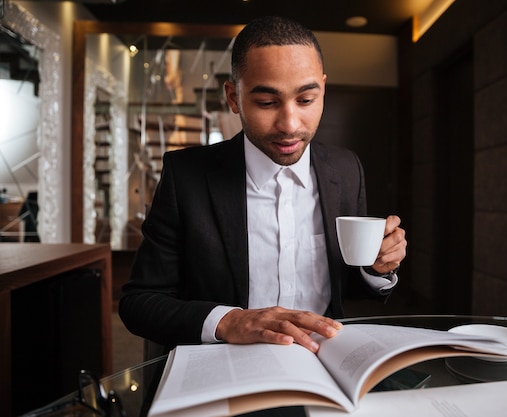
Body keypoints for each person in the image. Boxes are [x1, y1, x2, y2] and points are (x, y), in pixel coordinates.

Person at [119, 16, 407, 355]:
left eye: (306, 100)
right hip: (226, 366)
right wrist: (228, 321)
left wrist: (377, 268)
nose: (289, 124)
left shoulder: (345, 169)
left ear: (323, 90)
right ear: (233, 97)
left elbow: (350, 284)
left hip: (322, 363)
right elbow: (139, 302)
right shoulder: (186, 177)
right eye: (267, 102)